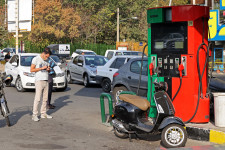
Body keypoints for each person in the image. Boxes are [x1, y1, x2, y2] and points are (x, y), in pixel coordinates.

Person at [30, 48, 53, 122]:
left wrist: (48, 69)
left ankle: (43, 113)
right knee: (38, 98)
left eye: (48, 56)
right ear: (43, 53)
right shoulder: (36, 59)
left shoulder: (46, 60)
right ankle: (34, 115)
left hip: (46, 80)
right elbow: (31, 70)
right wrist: (41, 68)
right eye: (46, 56)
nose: (47, 58)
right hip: (39, 80)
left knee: (45, 99)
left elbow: (47, 69)